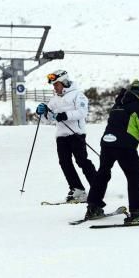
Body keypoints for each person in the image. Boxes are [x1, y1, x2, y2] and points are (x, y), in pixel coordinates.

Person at [84, 80, 139, 224]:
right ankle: (138, 211)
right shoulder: (137, 105)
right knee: (135, 177)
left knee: (102, 174)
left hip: (107, 144)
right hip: (124, 147)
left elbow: (123, 125)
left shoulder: (117, 105)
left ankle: (93, 207)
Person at [35, 69, 96, 203]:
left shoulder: (77, 95)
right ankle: (77, 189)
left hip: (76, 134)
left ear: (64, 82)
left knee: (81, 161)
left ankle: (97, 186)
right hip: (61, 136)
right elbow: (49, 119)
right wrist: (43, 112)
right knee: (64, 162)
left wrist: (65, 115)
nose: (55, 88)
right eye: (54, 85)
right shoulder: (54, 100)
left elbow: (82, 112)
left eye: (56, 84)